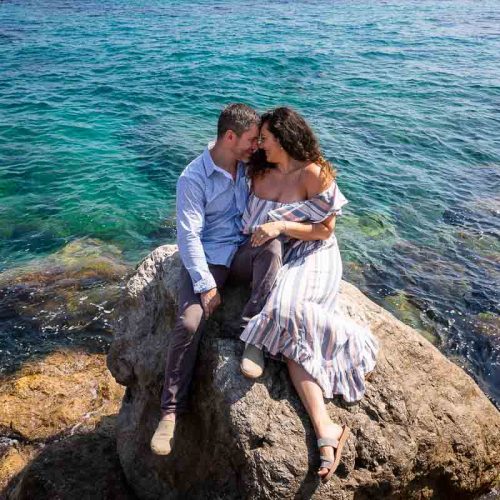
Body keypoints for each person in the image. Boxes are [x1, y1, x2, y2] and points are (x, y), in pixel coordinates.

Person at [239, 107, 379, 482]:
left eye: (265, 138)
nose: (259, 143)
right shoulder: (258, 167)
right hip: (274, 254)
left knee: (287, 309)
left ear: (284, 139)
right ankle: (326, 428)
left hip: (313, 253)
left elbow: (325, 230)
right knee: (289, 328)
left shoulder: (314, 173)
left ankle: (345, 342)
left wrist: (281, 225)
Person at [150, 103, 284, 455]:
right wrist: (206, 285)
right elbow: (188, 237)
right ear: (229, 137)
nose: (257, 145)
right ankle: (169, 412)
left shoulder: (248, 165)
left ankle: (252, 333)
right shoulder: (193, 178)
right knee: (190, 323)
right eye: (252, 139)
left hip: (242, 247)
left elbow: (295, 165)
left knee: (271, 251)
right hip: (209, 257)